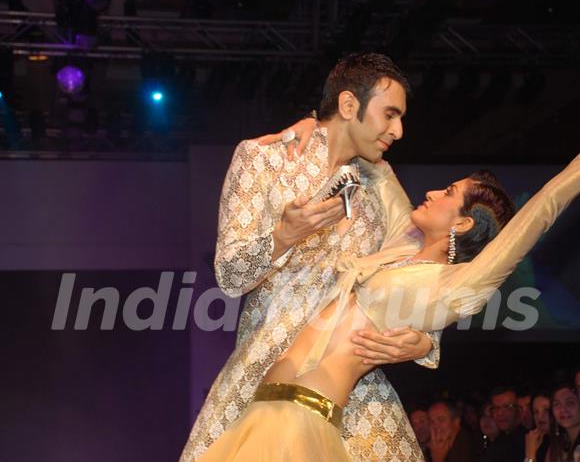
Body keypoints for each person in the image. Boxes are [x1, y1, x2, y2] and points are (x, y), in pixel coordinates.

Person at [195, 57, 580, 461]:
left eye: (449, 192)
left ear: (462, 225)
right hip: (262, 393)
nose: (433, 190)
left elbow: (545, 207)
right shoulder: (398, 244)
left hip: (315, 415)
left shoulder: (457, 282)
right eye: (390, 114)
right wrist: (314, 122)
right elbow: (367, 151)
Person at [180, 53, 441, 462]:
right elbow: (230, 277)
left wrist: (424, 340)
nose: (399, 130)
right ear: (349, 105)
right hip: (266, 371)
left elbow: (419, 268)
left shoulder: (380, 185)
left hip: (353, 383)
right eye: (390, 114)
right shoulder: (264, 159)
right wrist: (285, 235)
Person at [525, 391, 551, 462]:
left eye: (546, 410)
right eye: (536, 412)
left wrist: (530, 455)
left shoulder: (564, 442)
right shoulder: (534, 440)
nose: (540, 417)